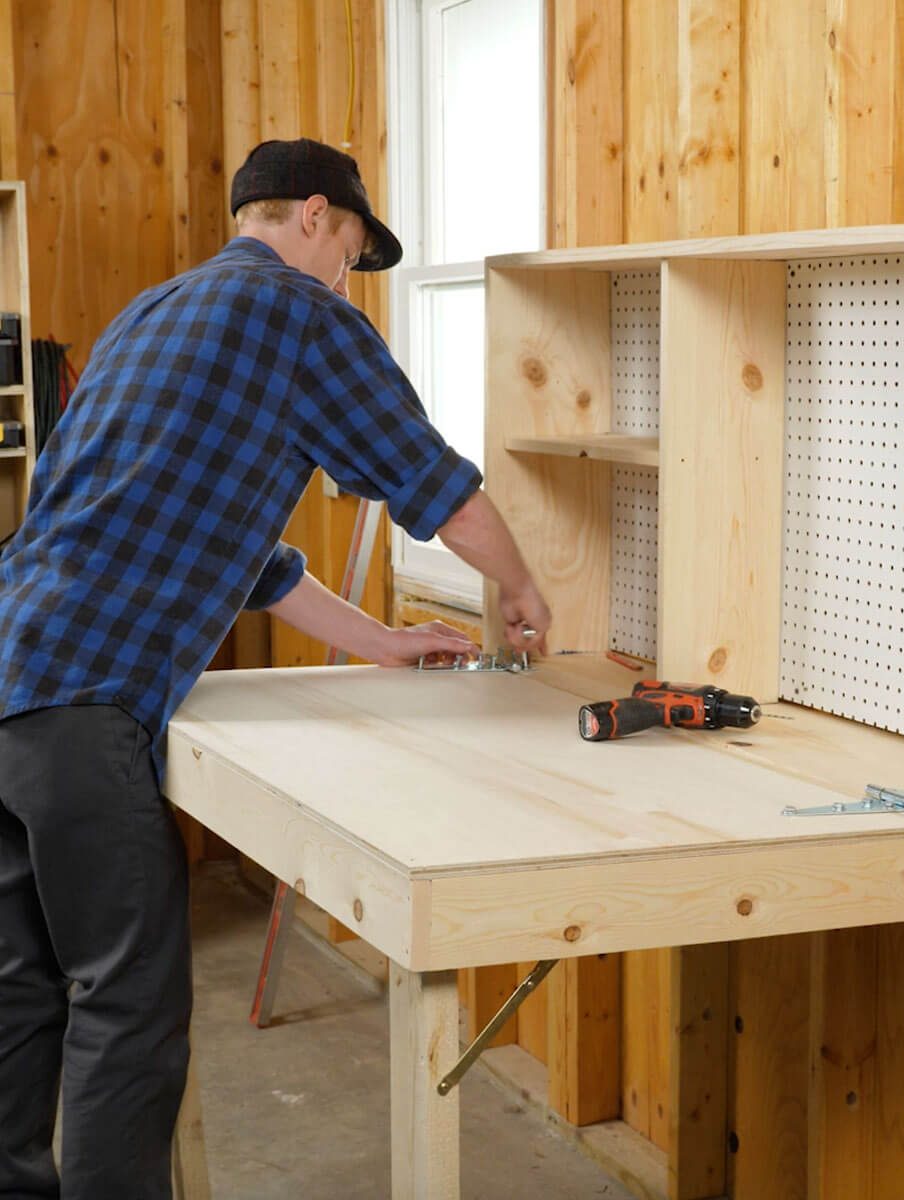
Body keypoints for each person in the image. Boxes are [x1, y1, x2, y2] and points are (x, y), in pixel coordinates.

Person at [0, 136, 551, 1198]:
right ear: (311, 215)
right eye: (350, 248)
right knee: (127, 999)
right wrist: (521, 588)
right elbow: (435, 488)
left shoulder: (153, 314)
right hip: (81, 705)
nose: (348, 276)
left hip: (11, 671)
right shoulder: (303, 318)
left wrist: (386, 643)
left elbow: (247, 557)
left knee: (22, 985)